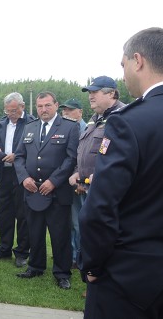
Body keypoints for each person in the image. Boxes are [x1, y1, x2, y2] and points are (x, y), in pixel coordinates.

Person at [79, 27, 163, 318]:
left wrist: (94, 265)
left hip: (131, 279)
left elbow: (100, 208)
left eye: (123, 66)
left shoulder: (129, 122)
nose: (123, 75)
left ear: (138, 61)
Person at [13, 91, 79, 290]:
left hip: (57, 193)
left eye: (47, 105)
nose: (43, 110)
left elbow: (71, 158)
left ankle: (62, 272)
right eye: (40, 106)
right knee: (35, 232)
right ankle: (35, 266)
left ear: (56, 105)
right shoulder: (30, 127)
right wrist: (24, 178)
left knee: (60, 235)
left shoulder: (70, 127)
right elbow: (19, 156)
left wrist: (54, 181)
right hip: (32, 190)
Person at [0, 92, 34, 268]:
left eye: (13, 110)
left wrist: (18, 155)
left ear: (22, 107)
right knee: (4, 213)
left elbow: (35, 148)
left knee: (22, 215)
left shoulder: (32, 123)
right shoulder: (0, 124)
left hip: (22, 176)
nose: (10, 114)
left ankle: (21, 252)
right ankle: (3, 249)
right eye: (7, 111)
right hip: (3, 174)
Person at [59, 97, 87, 268]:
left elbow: (85, 159)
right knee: (67, 222)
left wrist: (80, 178)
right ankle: (69, 254)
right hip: (64, 183)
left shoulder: (87, 130)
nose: (66, 113)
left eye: (70, 110)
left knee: (78, 223)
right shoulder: (65, 128)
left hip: (79, 184)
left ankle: (77, 258)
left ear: (80, 112)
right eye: (64, 110)